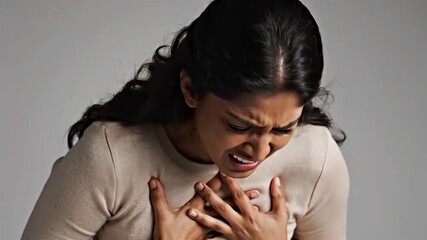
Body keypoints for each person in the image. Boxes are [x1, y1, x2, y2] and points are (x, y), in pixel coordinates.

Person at [22, 0, 349, 239]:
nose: (260, 150)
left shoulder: (314, 158)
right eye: (239, 125)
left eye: (283, 128)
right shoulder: (111, 157)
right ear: (191, 89)